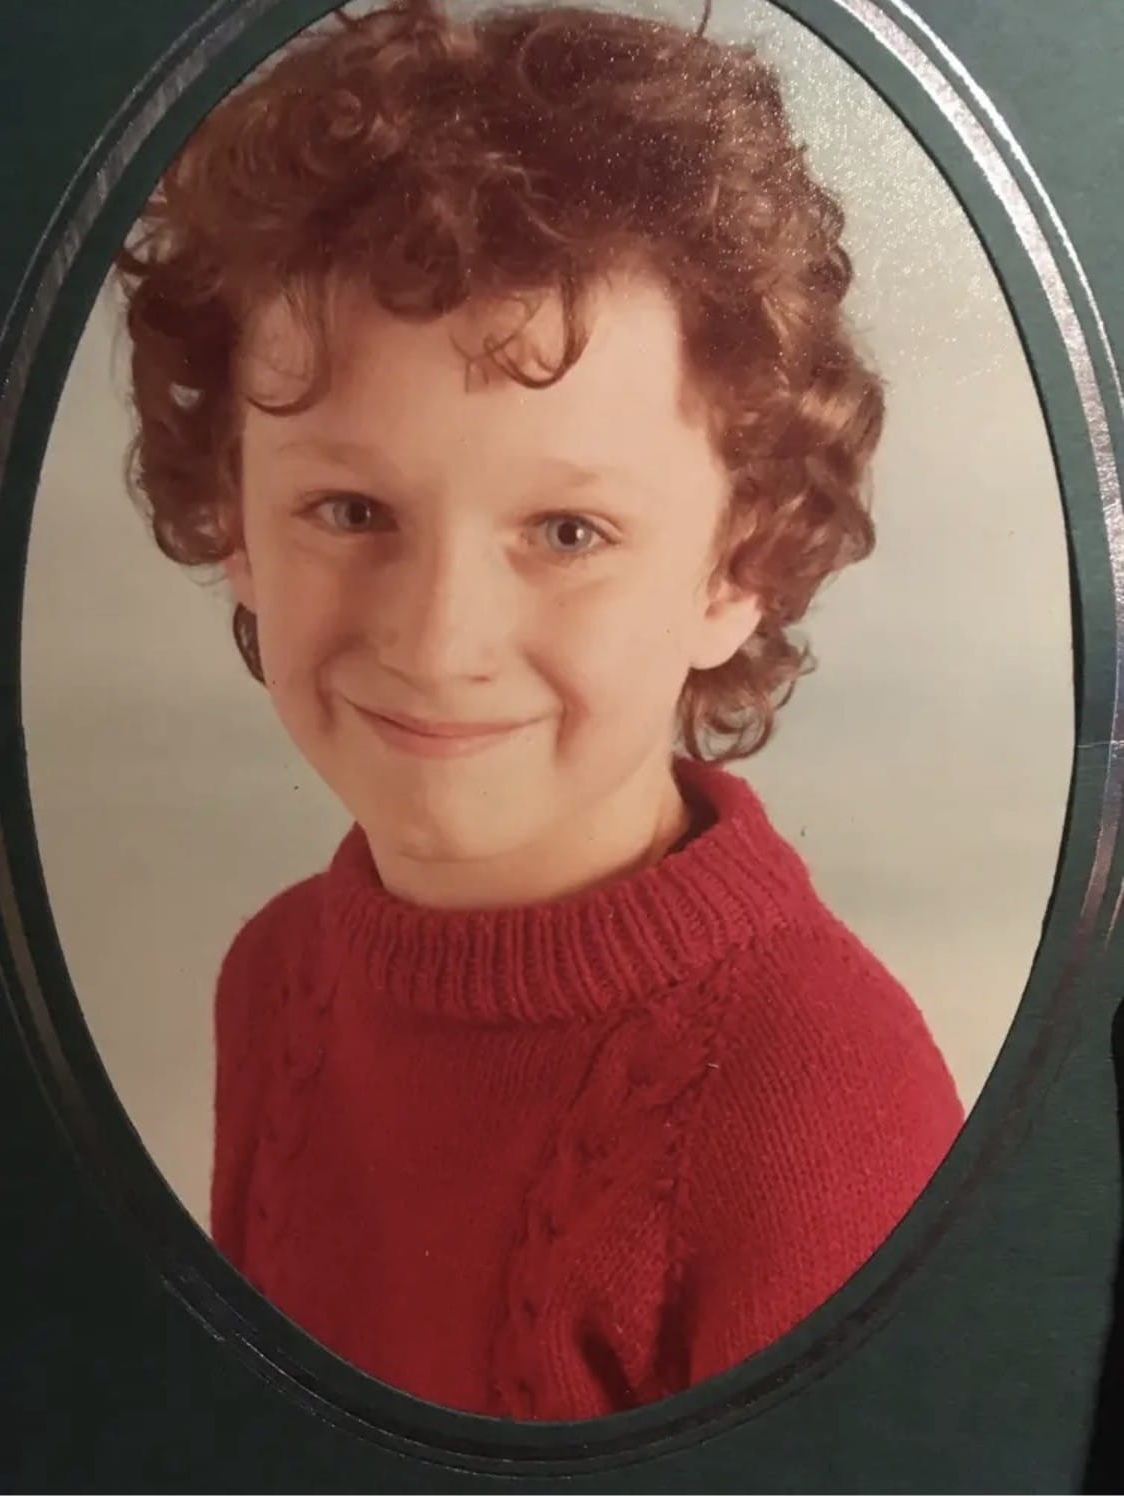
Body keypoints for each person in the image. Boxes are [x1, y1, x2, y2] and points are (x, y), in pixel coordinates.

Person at [113, 0, 963, 1421]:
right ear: (234, 519)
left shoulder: (818, 1107)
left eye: (565, 530)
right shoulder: (272, 977)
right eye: (349, 508)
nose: (438, 642)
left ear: (737, 565)